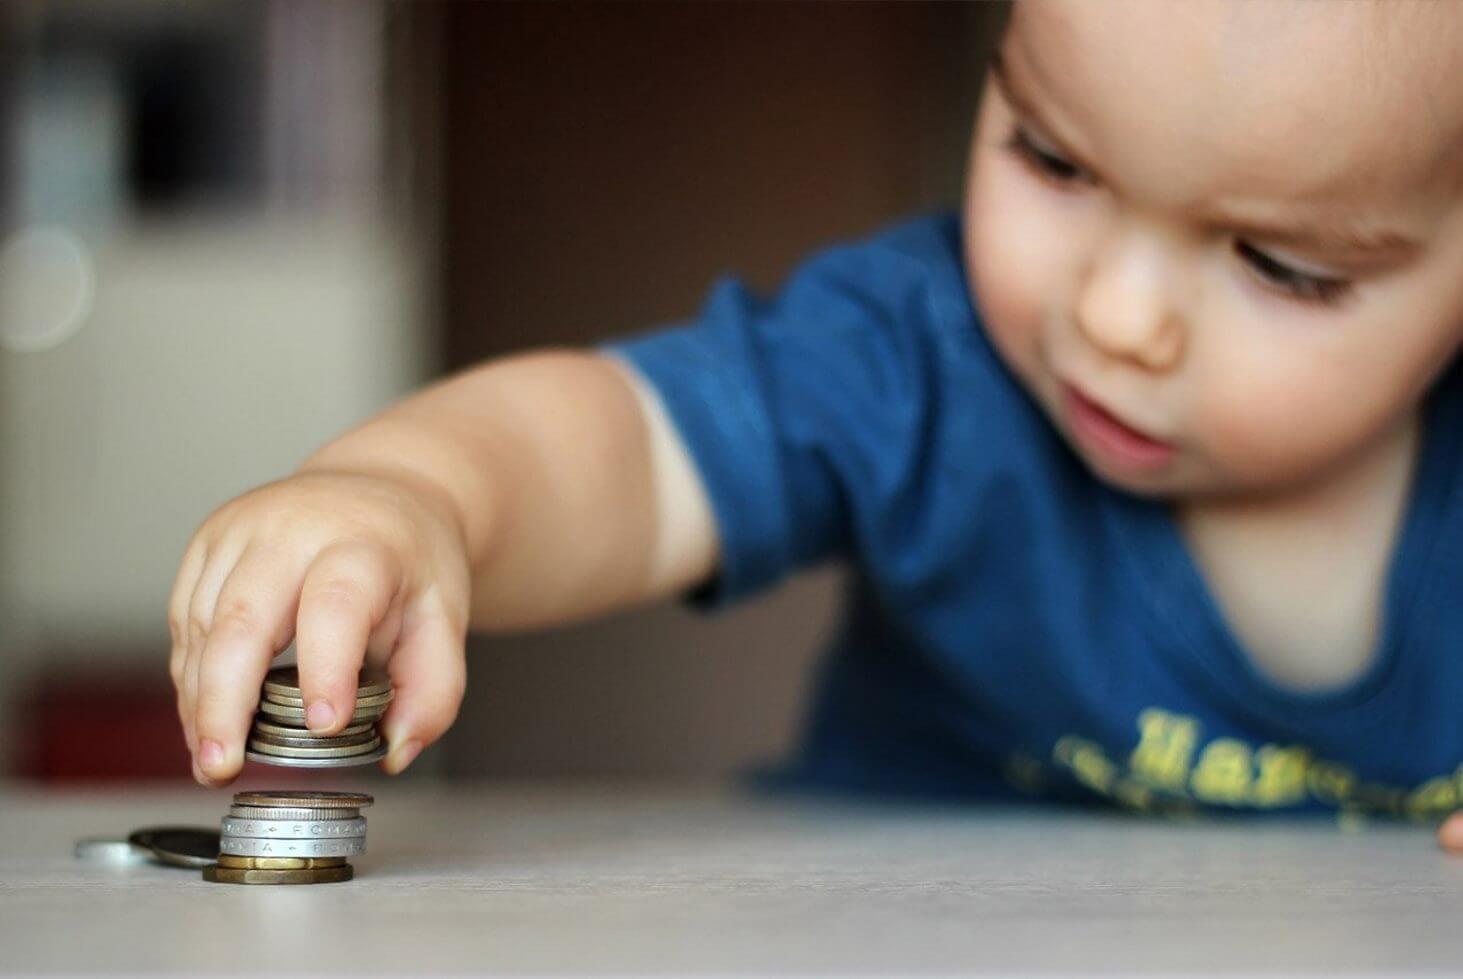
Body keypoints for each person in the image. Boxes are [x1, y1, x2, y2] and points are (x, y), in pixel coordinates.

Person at [167, 0, 1463, 851]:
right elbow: (632, 446)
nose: (1119, 319)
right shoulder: (917, 356)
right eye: (1055, 160)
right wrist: (419, 492)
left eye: (1283, 265)